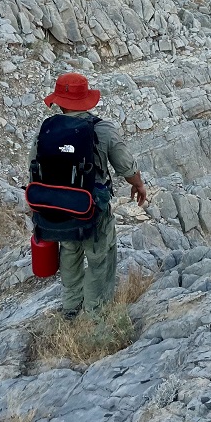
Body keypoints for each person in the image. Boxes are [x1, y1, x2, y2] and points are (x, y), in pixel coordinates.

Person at [29, 72, 147, 320]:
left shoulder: (47, 130)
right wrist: (138, 185)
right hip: (92, 208)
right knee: (99, 256)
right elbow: (125, 166)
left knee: (69, 251)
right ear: (86, 99)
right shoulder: (101, 129)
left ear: (59, 102)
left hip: (59, 209)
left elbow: (34, 169)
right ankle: (95, 312)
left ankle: (71, 307)